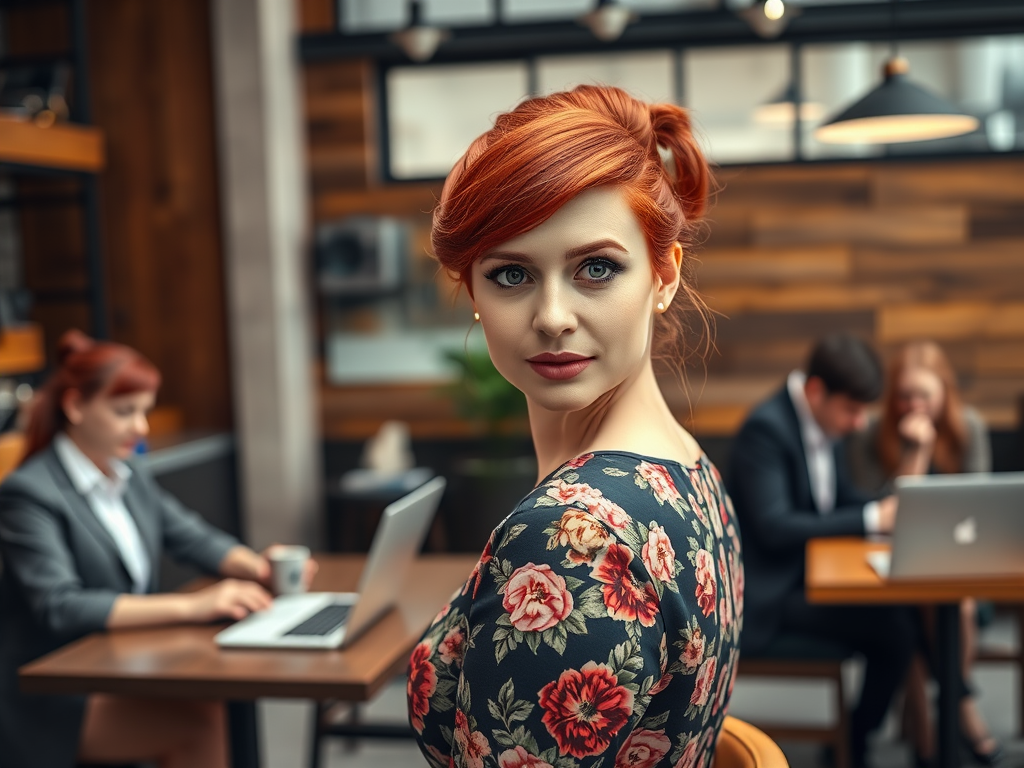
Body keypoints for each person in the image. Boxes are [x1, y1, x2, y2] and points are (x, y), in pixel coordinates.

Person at [406, 85, 744, 768]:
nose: (553, 315)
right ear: (470, 290)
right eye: (510, 274)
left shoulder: (575, 538)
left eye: (596, 268)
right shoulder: (685, 466)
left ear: (663, 274)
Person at [0, 330, 303, 768]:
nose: (140, 428)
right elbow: (59, 606)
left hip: (114, 667)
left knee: (209, 704)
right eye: (125, 412)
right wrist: (194, 606)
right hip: (48, 696)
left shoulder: (127, 475)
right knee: (197, 722)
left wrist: (260, 568)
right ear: (75, 406)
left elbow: (193, 537)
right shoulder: (29, 493)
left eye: (145, 412)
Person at [727, 334, 915, 768]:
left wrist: (882, 509)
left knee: (907, 621)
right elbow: (775, 527)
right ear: (816, 391)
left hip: (806, 575)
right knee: (895, 632)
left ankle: (929, 729)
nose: (860, 423)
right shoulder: (766, 429)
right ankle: (856, 740)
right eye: (852, 409)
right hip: (769, 595)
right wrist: (872, 521)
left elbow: (836, 496)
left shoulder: (822, 419)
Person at [847, 340, 1000, 766]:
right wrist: (917, 453)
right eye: (905, 395)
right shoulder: (870, 435)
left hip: (959, 560)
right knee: (906, 617)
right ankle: (949, 716)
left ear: (944, 394)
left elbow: (981, 508)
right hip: (887, 563)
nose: (914, 405)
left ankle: (949, 710)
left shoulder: (969, 427)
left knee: (960, 608)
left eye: (925, 396)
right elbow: (887, 516)